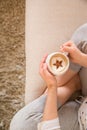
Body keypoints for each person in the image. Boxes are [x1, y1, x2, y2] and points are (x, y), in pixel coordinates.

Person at [10, 23, 87, 130]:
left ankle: (72, 85)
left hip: (79, 121)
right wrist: (82, 59)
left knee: (21, 126)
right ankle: (72, 75)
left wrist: (52, 87)